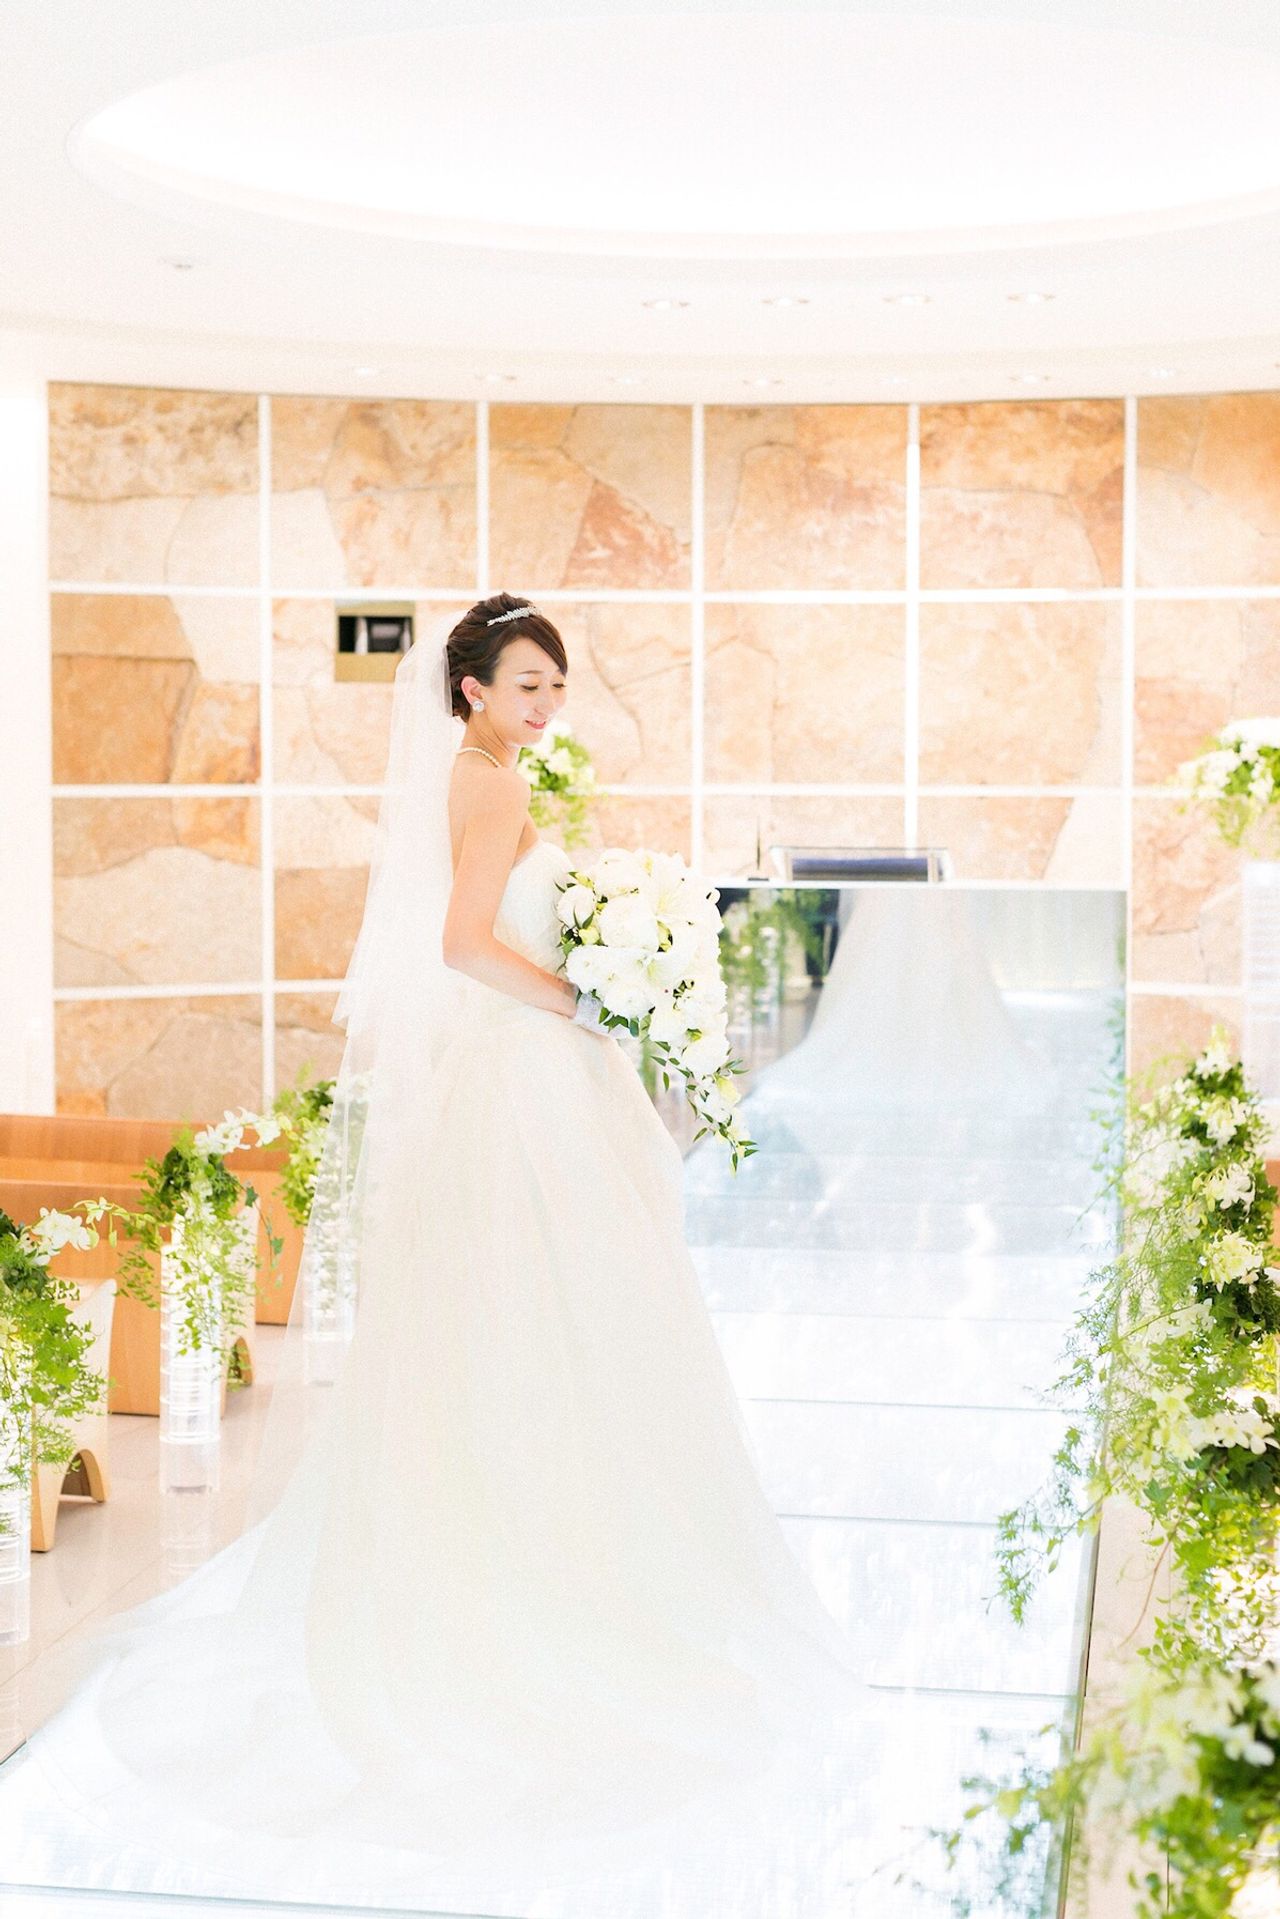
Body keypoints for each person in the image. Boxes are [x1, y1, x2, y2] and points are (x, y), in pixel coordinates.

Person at [0, 595, 869, 1916]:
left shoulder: (485, 777)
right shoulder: (487, 784)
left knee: (526, 1322)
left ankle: (535, 1561)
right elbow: (462, 947)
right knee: (551, 1319)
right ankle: (547, 1586)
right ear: (470, 689)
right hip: (524, 1075)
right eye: (525, 685)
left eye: (555, 684)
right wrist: (589, 1000)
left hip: (522, 1077)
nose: (545, 704)